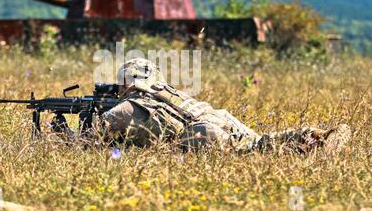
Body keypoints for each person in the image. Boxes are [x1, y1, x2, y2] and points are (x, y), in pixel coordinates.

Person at [92, 58, 351, 154]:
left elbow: (91, 138)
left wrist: (63, 129)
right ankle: (317, 135)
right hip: (218, 117)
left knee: (253, 153)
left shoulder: (128, 108)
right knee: (260, 142)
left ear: (126, 83)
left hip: (204, 133)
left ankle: (315, 148)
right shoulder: (168, 93)